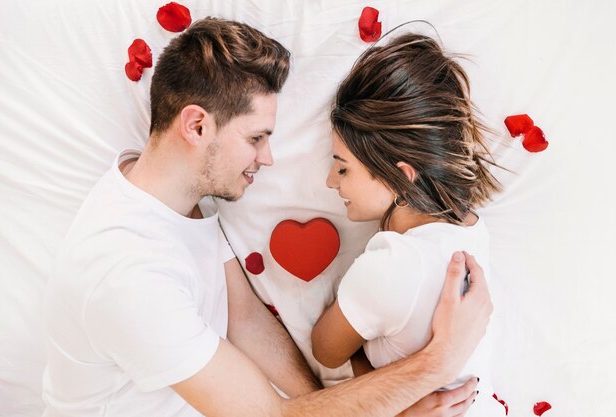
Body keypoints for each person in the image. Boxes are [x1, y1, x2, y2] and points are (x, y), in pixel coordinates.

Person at [43, 18, 492, 417]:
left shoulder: (173, 199)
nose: (269, 157)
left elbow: (246, 321)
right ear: (196, 125)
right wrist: (440, 361)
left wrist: (366, 401)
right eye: (256, 137)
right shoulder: (126, 275)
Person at [311, 32, 504, 416]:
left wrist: (392, 399)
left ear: (401, 176)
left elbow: (325, 350)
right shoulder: (470, 227)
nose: (331, 182)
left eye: (343, 167)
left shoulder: (392, 265)